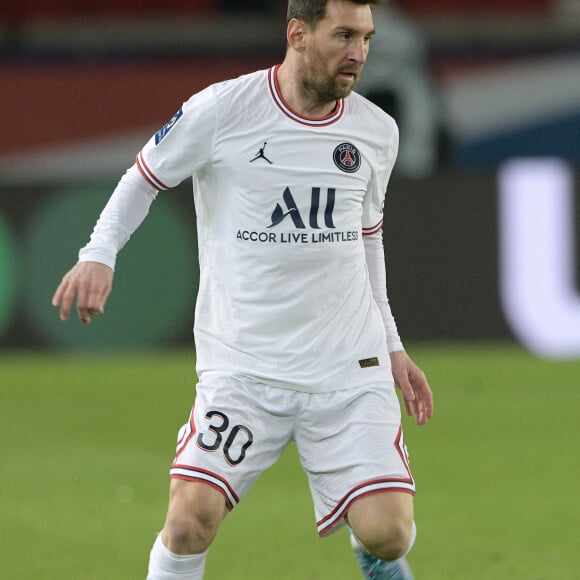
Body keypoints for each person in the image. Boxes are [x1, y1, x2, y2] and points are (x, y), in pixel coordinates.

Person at [52, 1, 434, 578]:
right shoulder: (222, 110)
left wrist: (393, 343)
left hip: (346, 373)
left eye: (367, 38)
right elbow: (144, 176)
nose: (358, 53)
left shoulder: (377, 132)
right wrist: (98, 255)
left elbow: (368, 241)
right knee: (188, 520)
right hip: (245, 370)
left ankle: (370, 548)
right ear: (298, 34)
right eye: (344, 35)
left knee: (388, 534)